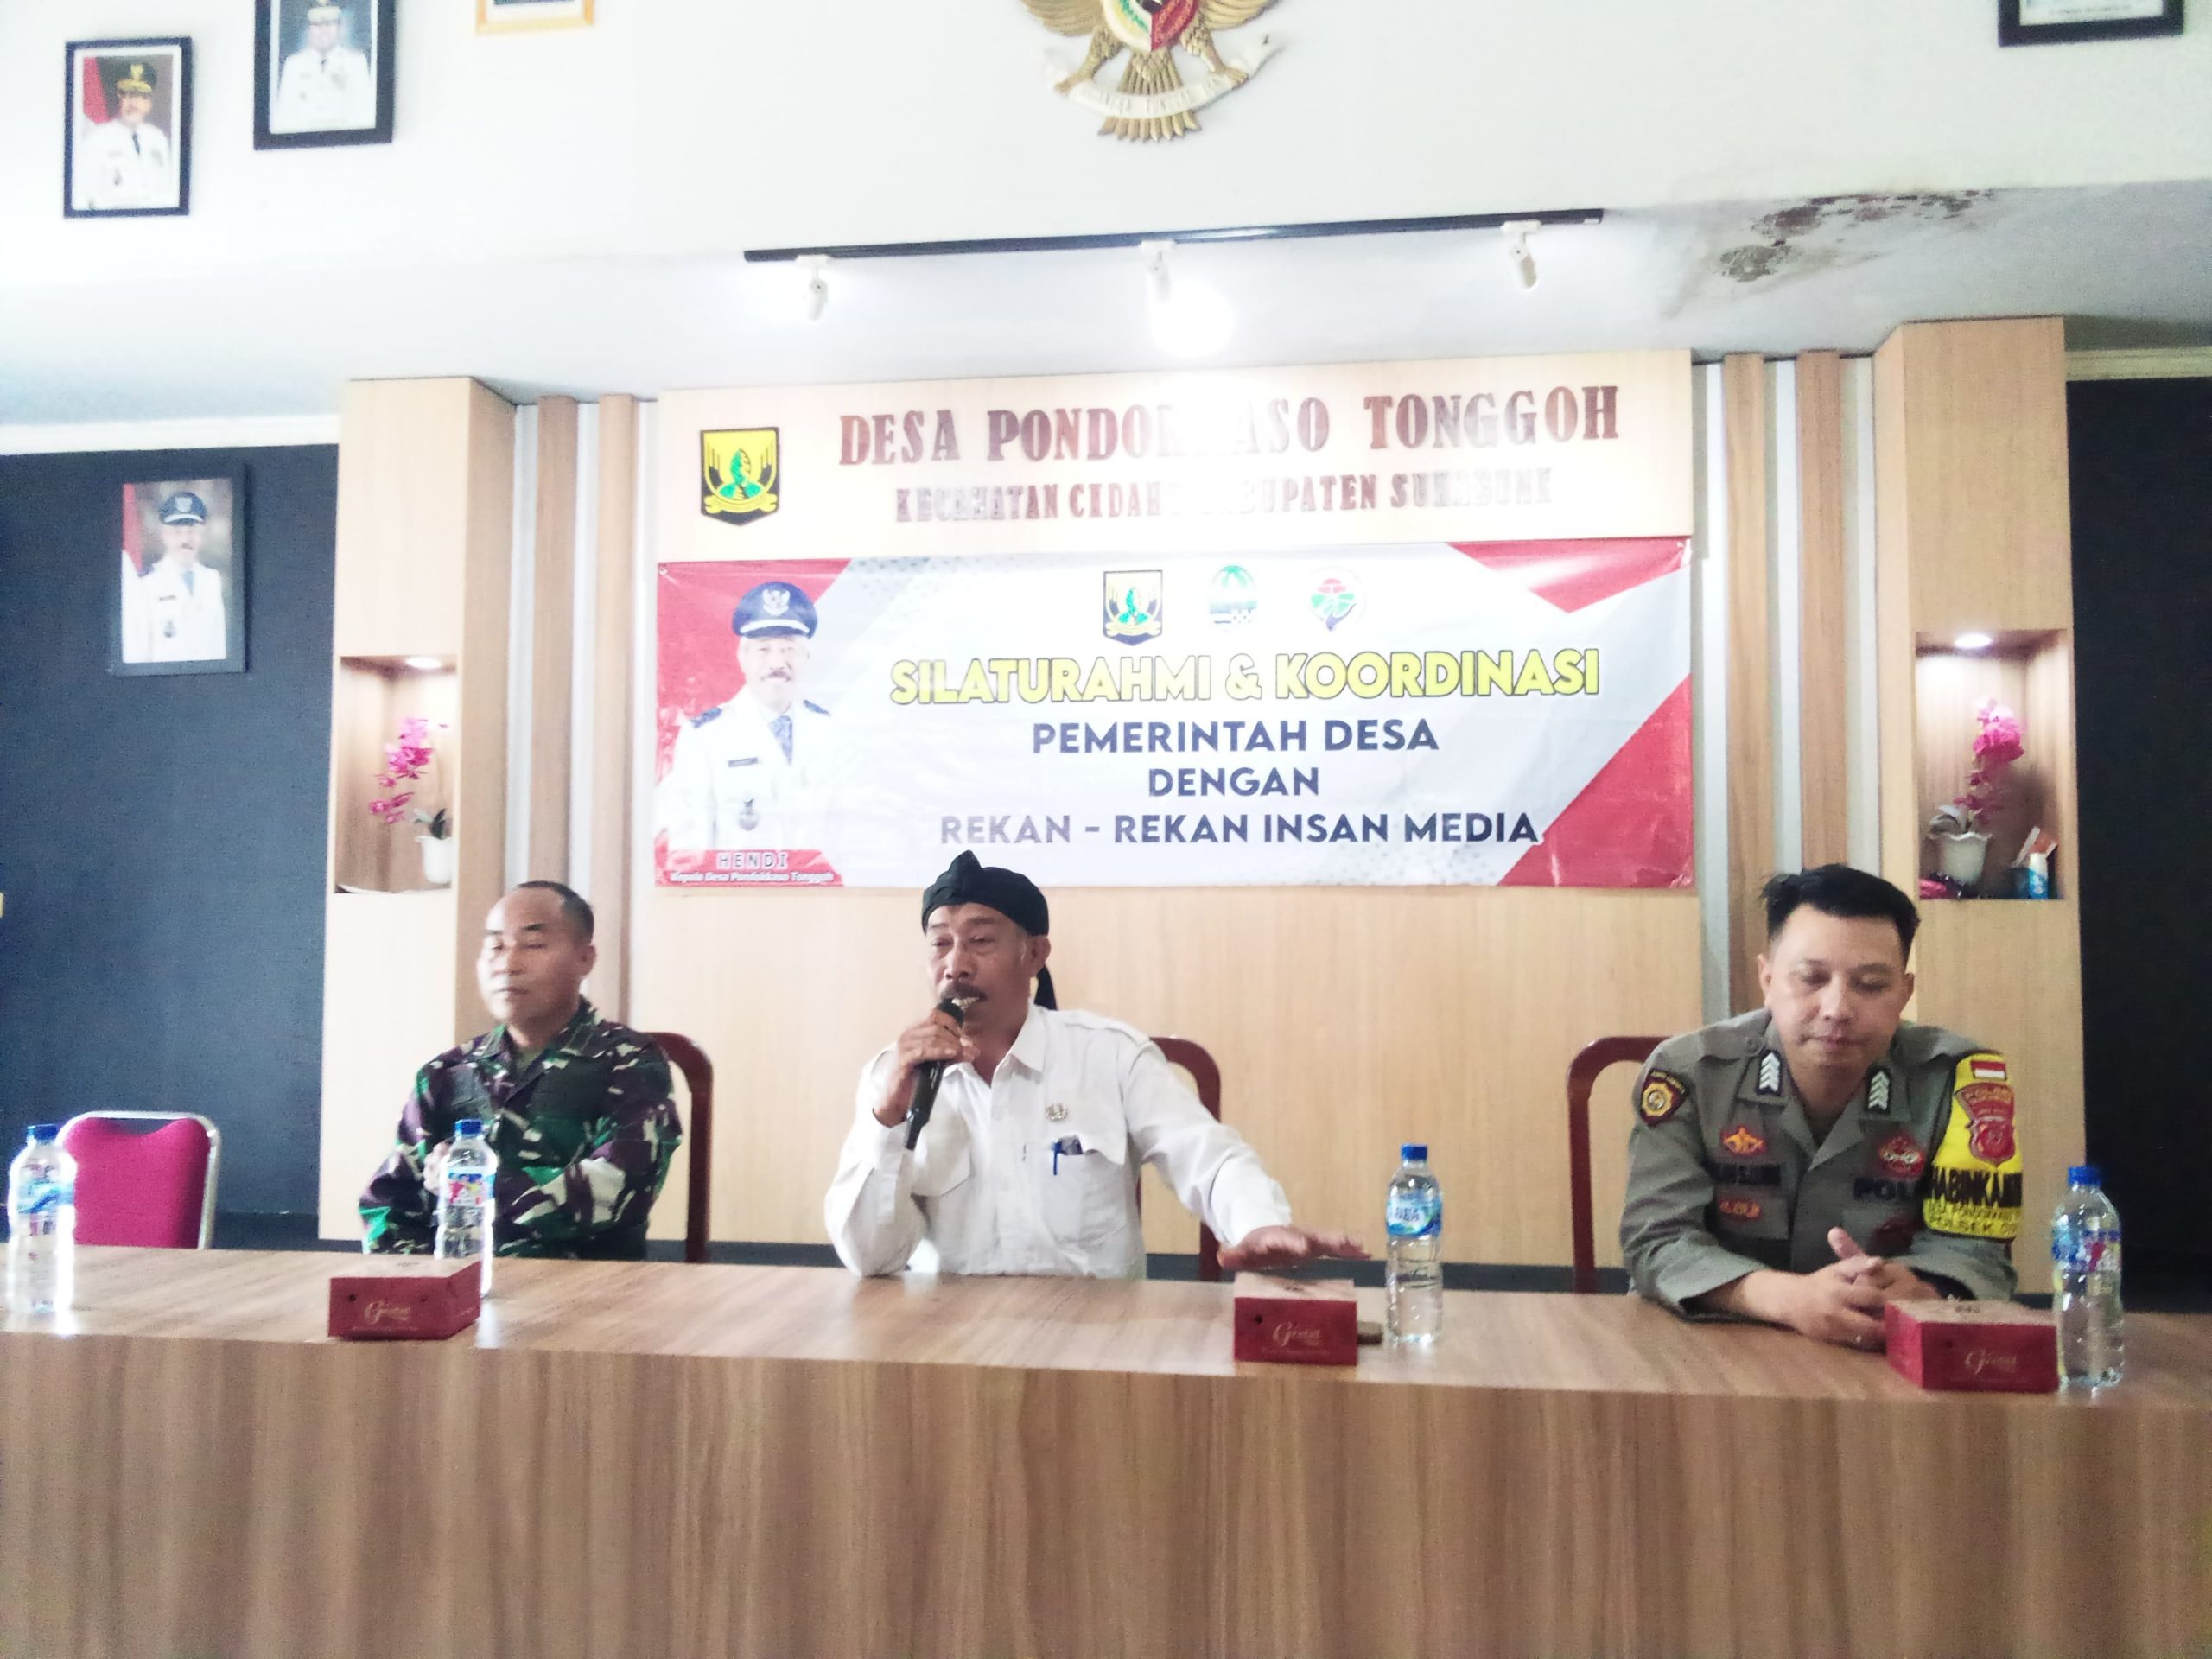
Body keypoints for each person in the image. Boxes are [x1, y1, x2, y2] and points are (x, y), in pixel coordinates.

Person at [827, 850, 1368, 1278]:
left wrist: (1259, 1224)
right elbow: (871, 1258)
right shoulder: (892, 1077)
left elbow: (1206, 1156)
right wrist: (889, 1120)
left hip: (1095, 1333)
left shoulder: (1107, 1055)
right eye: (940, 944)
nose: (955, 966)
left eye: (981, 941)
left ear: (1034, 955)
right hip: (948, 1336)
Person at [1621, 864, 2022, 1350]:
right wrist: (1789, 1299)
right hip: (1717, 1339)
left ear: (1904, 993)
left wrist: (1924, 1287)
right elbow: (1658, 1239)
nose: (1837, 1009)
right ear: (1768, 979)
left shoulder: (1957, 1081)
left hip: (1886, 1345)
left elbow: (1977, 1249)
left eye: (1870, 985)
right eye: (1811, 978)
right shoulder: (1691, 1073)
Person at [360, 881, 682, 1259]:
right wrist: (417, 1278)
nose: (509, 964)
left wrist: (476, 1183)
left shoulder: (628, 1061)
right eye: (495, 946)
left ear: (585, 959)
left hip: (584, 1284)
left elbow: (621, 1190)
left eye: (533, 945)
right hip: (456, 1281)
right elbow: (388, 1203)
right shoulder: (447, 1073)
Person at [659, 580, 837, 852]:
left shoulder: (830, 729)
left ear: (807, 656)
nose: (777, 663)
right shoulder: (705, 737)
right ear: (742, 657)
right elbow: (690, 850)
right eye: (763, 649)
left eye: (789, 649)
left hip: (825, 880)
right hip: (739, 881)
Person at [124, 491, 228, 664]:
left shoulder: (212, 580)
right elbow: (137, 654)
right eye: (177, 532)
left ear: (202, 534)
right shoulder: (146, 585)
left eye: (192, 531)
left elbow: (219, 648)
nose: (185, 540)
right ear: (164, 535)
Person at [77, 59, 175, 212]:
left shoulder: (158, 139)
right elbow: (87, 197)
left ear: (149, 103)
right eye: (127, 95)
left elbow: (168, 191)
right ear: (119, 98)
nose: (133, 104)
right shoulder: (97, 140)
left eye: (140, 96)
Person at [271, 2, 374, 133]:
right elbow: (283, 118)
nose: (323, 31)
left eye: (329, 24)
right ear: (308, 29)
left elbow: (365, 115)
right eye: (317, 24)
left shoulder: (356, 64)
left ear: (339, 28)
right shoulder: (293, 65)